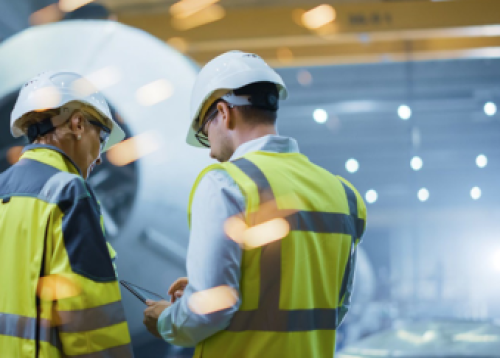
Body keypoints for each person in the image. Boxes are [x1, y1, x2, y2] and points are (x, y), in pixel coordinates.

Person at [143, 51, 367, 357]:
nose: (210, 152)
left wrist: (167, 320)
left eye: (205, 135)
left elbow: (210, 309)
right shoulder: (344, 195)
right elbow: (331, 306)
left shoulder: (226, 184)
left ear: (224, 112)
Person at [0, 71, 134, 357]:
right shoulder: (67, 192)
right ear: (77, 124)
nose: (100, 156)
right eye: (102, 137)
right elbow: (90, 322)